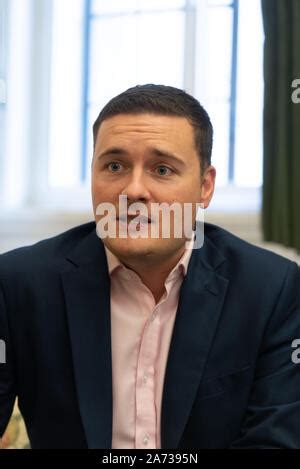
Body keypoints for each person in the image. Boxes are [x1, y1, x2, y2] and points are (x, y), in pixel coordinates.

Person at [0, 84, 300, 449]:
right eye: (114, 166)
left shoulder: (271, 289)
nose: (134, 190)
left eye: (162, 169)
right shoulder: (19, 284)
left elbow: (274, 441)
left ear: (205, 186)